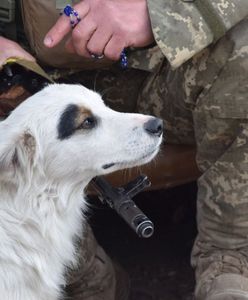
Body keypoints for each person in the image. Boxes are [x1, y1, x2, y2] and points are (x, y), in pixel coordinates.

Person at [1, 0, 248, 299]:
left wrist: (158, 12)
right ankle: (89, 283)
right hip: (18, 74)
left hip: (152, 61)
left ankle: (229, 270)